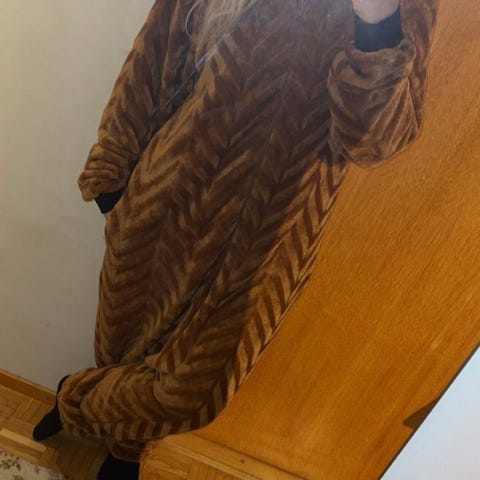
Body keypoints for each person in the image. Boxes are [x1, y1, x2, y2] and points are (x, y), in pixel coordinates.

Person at [33, 0, 438, 478]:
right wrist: (110, 174)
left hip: (269, 244)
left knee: (193, 393)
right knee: (123, 348)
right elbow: (155, 57)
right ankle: (124, 451)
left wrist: (376, 23)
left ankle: (74, 400)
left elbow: (373, 142)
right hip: (166, 203)